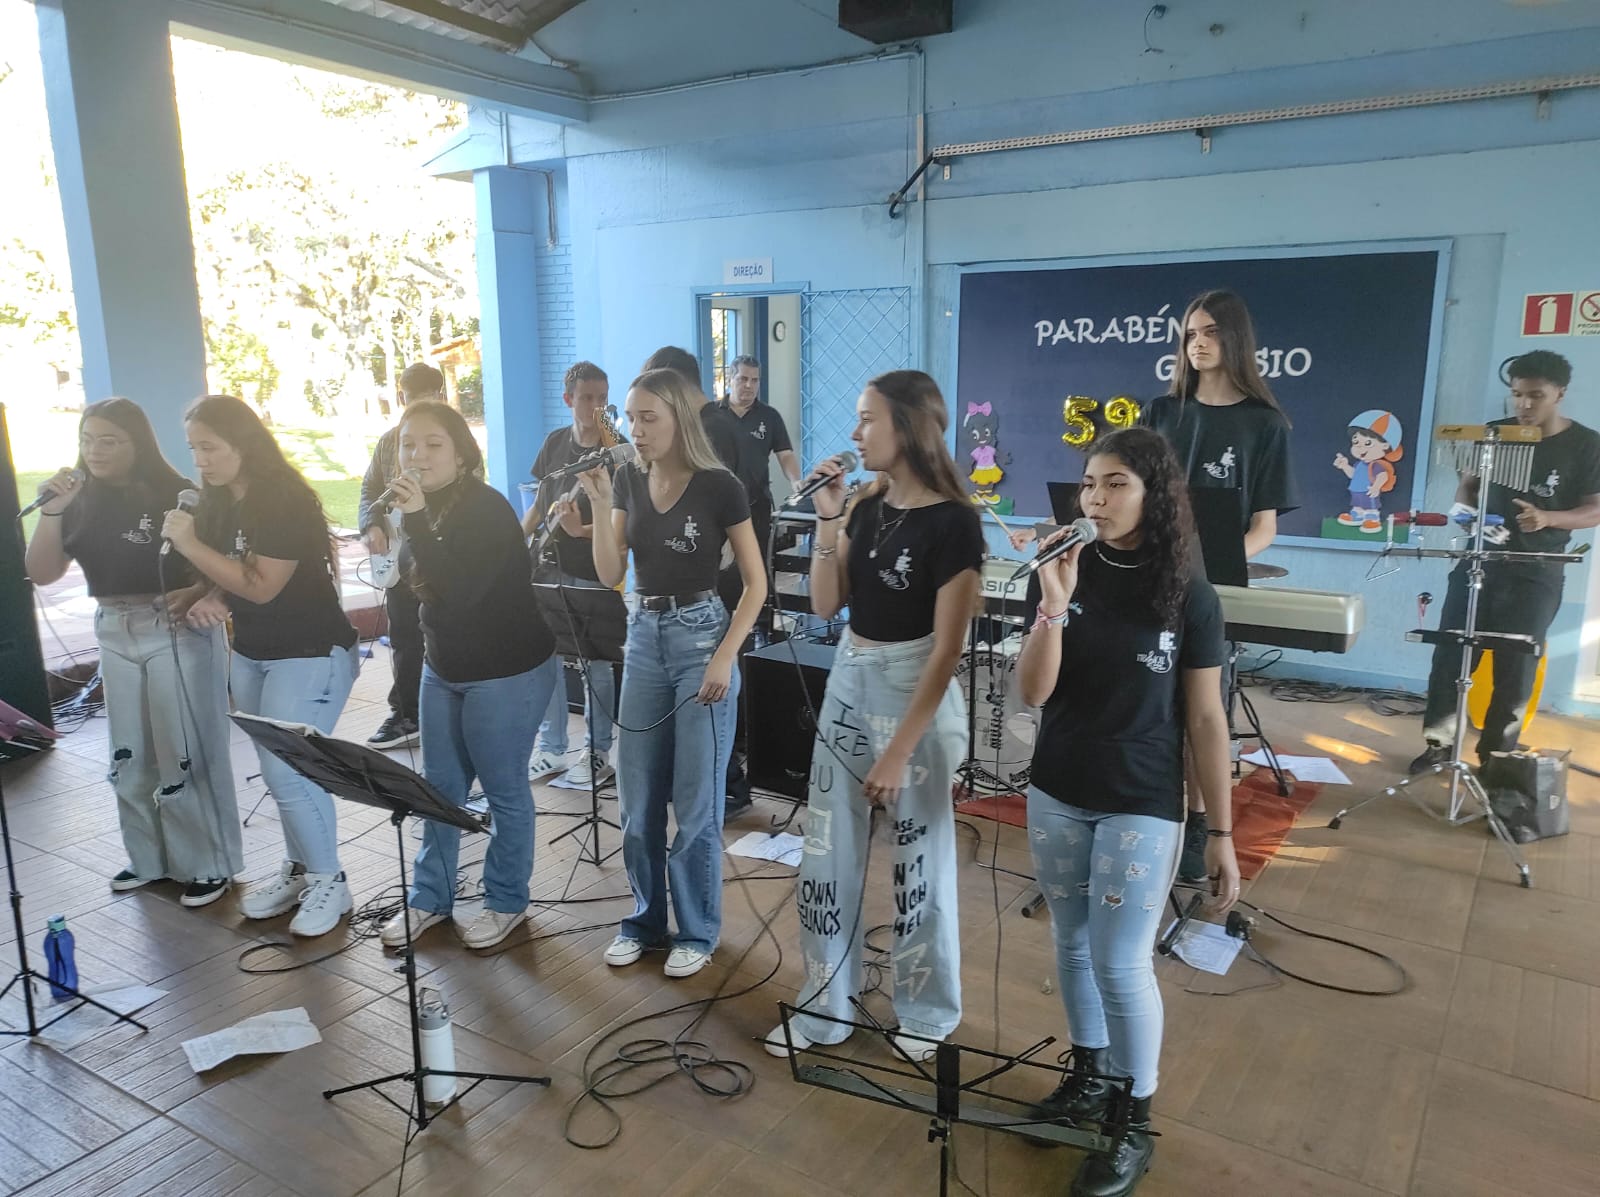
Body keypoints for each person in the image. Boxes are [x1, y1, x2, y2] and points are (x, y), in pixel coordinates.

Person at [1017, 427, 1236, 1197]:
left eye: (1116, 484)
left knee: (1119, 961)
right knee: (1072, 944)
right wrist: (1053, 604)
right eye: (1089, 483)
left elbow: (1206, 719)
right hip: (1057, 786)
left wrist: (1220, 830)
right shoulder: (1061, 569)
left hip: (1141, 798)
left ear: (1155, 495)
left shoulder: (1189, 594)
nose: (1097, 499)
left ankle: (1131, 1120)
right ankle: (1088, 1075)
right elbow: (1033, 692)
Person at [763, 370, 982, 1064]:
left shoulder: (954, 521)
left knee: (920, 867)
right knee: (825, 857)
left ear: (908, 426)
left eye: (867, 419)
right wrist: (829, 518)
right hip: (851, 677)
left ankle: (927, 1010)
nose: (855, 433)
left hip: (914, 689)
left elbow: (948, 650)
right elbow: (826, 604)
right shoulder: (866, 503)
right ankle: (825, 1008)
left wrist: (898, 751)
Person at [580, 367, 766, 979]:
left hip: (701, 635)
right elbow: (611, 572)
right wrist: (600, 503)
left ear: (680, 419)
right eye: (630, 418)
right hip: (643, 637)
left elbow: (756, 584)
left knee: (694, 801)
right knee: (636, 799)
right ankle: (643, 921)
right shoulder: (628, 479)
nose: (634, 429)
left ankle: (697, 931)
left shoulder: (719, 486)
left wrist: (725, 655)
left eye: (647, 418)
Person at [24, 398, 242, 907]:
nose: (95, 450)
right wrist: (52, 511)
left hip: (174, 626)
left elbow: (225, 561)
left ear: (137, 443)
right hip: (113, 628)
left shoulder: (177, 494)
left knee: (184, 746)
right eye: (87, 439)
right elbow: (42, 572)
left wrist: (207, 595)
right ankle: (149, 858)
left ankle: (208, 863)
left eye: (109, 440)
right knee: (129, 750)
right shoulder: (77, 497)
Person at [162, 395, 360, 938]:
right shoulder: (220, 500)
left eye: (210, 447)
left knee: (289, 770)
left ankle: (330, 881)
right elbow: (235, 573)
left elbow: (262, 585)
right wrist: (203, 593)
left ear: (243, 444)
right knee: (281, 770)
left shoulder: (281, 499)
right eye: (193, 449)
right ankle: (299, 871)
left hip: (311, 653)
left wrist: (189, 543)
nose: (200, 460)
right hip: (253, 652)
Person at [377, 402, 561, 950]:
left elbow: (459, 593)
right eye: (408, 444)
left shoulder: (487, 510)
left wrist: (413, 521)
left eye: (433, 444)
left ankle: (505, 901)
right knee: (439, 790)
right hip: (445, 666)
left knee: (503, 789)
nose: (418, 455)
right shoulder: (422, 509)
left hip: (505, 670)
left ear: (461, 455)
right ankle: (430, 898)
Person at [1143, 290, 1296, 882]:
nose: (1198, 343)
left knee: (1202, 709)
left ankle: (1200, 821)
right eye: (1190, 333)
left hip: (1204, 591)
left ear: (1235, 339)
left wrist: (1207, 564)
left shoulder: (1265, 424)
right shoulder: (1162, 412)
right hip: (1147, 582)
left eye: (1209, 332)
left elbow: (1264, 529)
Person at [1412, 351, 1600, 772]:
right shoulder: (1494, 434)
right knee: (1451, 656)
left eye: (1536, 395)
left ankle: (1497, 756)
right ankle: (1439, 744)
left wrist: (1548, 518)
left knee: (1516, 666)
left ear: (1559, 393)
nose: (1524, 405)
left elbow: (1595, 509)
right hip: (1479, 561)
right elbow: (1468, 489)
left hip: (1538, 569)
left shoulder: (1586, 444)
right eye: (1517, 395)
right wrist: (1465, 515)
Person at [524, 361, 620, 791]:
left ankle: (597, 751)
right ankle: (552, 748)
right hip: (549, 568)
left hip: (594, 571)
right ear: (568, 399)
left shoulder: (616, 449)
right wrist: (516, 545)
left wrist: (581, 530)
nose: (596, 407)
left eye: (603, 399)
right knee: (546, 656)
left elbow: (625, 522)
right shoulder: (554, 443)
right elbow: (538, 504)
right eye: (587, 398)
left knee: (594, 663)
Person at [717, 356, 805, 817]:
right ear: (729, 379)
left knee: (755, 604)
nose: (749, 386)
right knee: (723, 602)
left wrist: (799, 484)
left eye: (755, 380)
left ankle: (750, 709)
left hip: (756, 515)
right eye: (743, 379)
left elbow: (786, 457)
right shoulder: (709, 416)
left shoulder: (768, 417)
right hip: (716, 520)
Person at [358, 362, 446, 751]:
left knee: (442, 633)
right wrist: (371, 525)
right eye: (413, 400)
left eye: (429, 399)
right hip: (399, 556)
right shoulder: (388, 443)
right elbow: (369, 492)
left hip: (440, 556)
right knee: (405, 636)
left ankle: (444, 712)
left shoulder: (453, 442)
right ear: (401, 398)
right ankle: (407, 713)